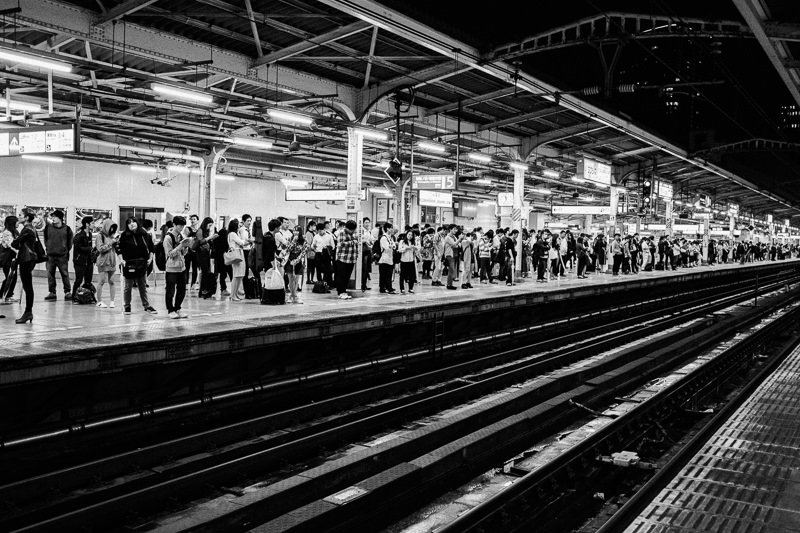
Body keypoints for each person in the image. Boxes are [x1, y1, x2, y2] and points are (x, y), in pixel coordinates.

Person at [119, 217, 157, 315]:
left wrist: (150, 258)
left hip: (142, 263)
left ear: (137, 223)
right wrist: (121, 260)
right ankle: (127, 306)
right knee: (128, 287)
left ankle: (146, 306)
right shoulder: (124, 235)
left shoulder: (145, 235)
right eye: (129, 223)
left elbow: (152, 248)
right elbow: (119, 249)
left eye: (134, 222)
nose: (132, 224)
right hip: (129, 263)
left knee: (142, 286)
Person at [11, 210, 38, 323]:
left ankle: (28, 312)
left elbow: (14, 243)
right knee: (28, 286)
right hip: (29, 259)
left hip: (26, 259)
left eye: (20, 215)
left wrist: (17, 241)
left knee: (27, 286)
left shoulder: (27, 229)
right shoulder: (32, 228)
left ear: (26, 218)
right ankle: (28, 312)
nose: (18, 217)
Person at [43, 209, 73, 301]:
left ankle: (67, 292)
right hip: (50, 256)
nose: (53, 219)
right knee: (50, 274)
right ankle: (52, 292)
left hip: (62, 256)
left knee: (65, 274)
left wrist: (64, 250)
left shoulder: (67, 229)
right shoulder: (48, 228)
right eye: (52, 217)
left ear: (60, 218)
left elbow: (70, 243)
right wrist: (49, 248)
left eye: (55, 217)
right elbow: (46, 240)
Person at [164, 216, 190, 318]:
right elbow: (170, 254)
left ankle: (177, 308)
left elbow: (184, 253)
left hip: (182, 267)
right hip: (171, 268)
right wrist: (180, 246)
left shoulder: (181, 236)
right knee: (170, 290)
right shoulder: (168, 237)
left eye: (183, 226)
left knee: (182, 290)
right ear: (174, 225)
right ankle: (170, 310)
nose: (181, 228)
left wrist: (186, 246)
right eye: (180, 226)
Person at [95, 219, 118, 308]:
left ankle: (112, 301)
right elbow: (100, 249)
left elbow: (115, 248)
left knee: (112, 281)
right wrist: (111, 243)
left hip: (112, 261)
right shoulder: (100, 236)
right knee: (101, 281)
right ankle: (99, 301)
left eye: (113, 228)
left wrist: (116, 242)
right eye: (110, 227)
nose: (111, 229)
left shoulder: (112, 236)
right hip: (103, 262)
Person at [71, 216, 94, 303]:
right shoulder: (79, 236)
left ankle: (88, 296)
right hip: (80, 261)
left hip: (89, 261)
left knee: (88, 280)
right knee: (79, 280)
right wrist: (89, 249)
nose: (94, 225)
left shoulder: (90, 234)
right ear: (87, 224)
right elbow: (78, 247)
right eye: (92, 223)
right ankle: (74, 296)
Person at [334, 219, 358, 300]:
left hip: (351, 258)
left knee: (347, 277)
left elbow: (356, 242)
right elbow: (340, 244)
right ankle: (340, 292)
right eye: (350, 229)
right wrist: (352, 242)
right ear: (346, 228)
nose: (352, 231)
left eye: (353, 229)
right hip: (342, 258)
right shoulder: (342, 233)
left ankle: (344, 291)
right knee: (341, 276)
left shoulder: (354, 233)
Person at [196, 217, 219, 299]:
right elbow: (200, 241)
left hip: (206, 253)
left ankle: (205, 289)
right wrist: (210, 238)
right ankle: (203, 290)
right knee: (204, 272)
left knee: (206, 272)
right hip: (201, 253)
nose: (209, 227)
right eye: (209, 225)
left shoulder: (206, 231)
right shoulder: (200, 231)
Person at [284, 228, 308, 303]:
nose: (295, 232)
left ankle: (295, 296)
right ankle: (292, 295)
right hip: (290, 260)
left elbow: (303, 252)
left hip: (298, 260)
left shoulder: (303, 241)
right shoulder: (290, 239)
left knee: (296, 279)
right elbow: (287, 250)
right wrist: (293, 241)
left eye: (297, 231)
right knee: (290, 278)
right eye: (294, 231)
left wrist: (297, 260)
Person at [227, 219, 247, 301]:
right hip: (236, 254)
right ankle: (233, 294)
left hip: (239, 253)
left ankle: (235, 294)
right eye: (239, 224)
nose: (240, 226)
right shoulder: (232, 234)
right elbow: (241, 242)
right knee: (236, 275)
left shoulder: (236, 233)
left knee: (240, 275)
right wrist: (246, 241)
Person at [1, 215, 19, 302]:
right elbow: (10, 245)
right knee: (10, 277)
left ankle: (7, 294)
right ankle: (5, 295)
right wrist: (18, 252)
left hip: (12, 258)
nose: (18, 223)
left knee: (13, 276)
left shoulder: (15, 232)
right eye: (17, 222)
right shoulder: (7, 233)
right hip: (7, 258)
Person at [377, 222, 397, 294]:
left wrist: (392, 246)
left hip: (389, 258)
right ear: (387, 229)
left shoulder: (390, 237)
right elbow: (386, 247)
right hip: (384, 259)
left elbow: (394, 246)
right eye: (391, 228)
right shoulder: (383, 238)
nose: (392, 229)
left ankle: (386, 287)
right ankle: (386, 288)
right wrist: (392, 246)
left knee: (388, 274)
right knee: (385, 275)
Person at [397, 229, 418, 294]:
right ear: (406, 235)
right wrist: (406, 248)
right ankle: (402, 288)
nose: (410, 236)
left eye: (411, 235)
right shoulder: (402, 242)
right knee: (402, 275)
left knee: (412, 275)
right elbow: (399, 250)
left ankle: (411, 288)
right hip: (404, 260)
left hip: (411, 260)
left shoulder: (413, 242)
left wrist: (415, 248)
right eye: (409, 234)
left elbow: (418, 249)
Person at [183, 214, 200, 291]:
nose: (193, 221)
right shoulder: (187, 229)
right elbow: (184, 239)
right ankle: (186, 283)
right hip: (188, 251)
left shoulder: (199, 230)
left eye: (194, 219)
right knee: (186, 267)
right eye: (192, 219)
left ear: (197, 221)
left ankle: (193, 283)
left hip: (196, 251)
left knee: (195, 268)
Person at [360, 217, 373, 291]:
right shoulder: (361, 231)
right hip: (363, 251)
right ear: (363, 223)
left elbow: (371, 240)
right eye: (366, 222)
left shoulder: (369, 231)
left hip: (368, 251)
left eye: (368, 222)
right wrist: (365, 241)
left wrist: (371, 241)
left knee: (367, 269)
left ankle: (364, 285)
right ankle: (362, 285)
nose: (368, 224)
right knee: (363, 269)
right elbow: (360, 240)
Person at [304, 221, 317, 285]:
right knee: (310, 266)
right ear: (310, 226)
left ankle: (312, 279)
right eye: (314, 225)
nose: (315, 227)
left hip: (314, 251)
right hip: (311, 251)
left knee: (313, 266)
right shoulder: (308, 233)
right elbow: (308, 243)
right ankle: (308, 279)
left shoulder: (313, 233)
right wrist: (313, 249)